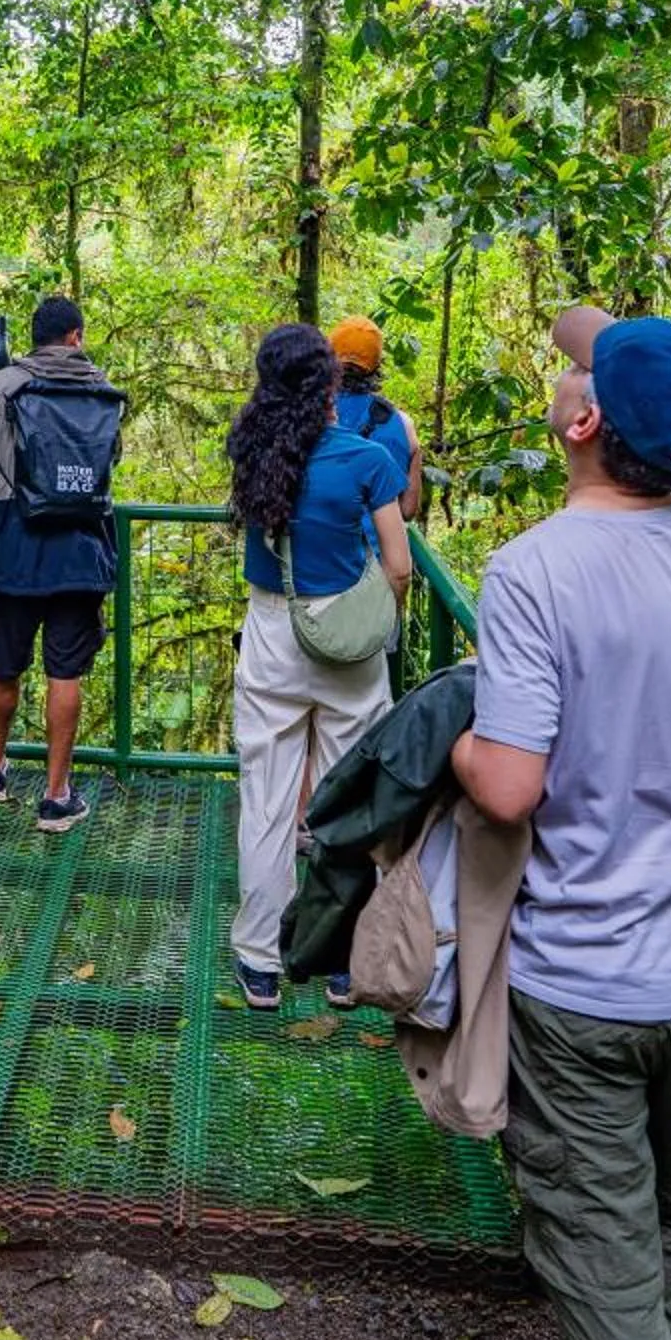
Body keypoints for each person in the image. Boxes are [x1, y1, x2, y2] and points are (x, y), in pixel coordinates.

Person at [450, 305, 671, 1340]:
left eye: (582, 377)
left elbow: (508, 787)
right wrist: (608, 344)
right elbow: (592, 333)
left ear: (584, 419)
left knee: (596, 1230)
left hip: (593, 978)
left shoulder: (538, 569)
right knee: (669, 1181)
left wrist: (449, 742)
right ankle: (665, 1334)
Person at [225, 321, 409, 1009]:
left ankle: (259, 962)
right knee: (346, 803)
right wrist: (367, 619)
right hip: (347, 644)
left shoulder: (251, 453)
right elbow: (397, 567)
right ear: (329, 383)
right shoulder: (367, 461)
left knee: (268, 799)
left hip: (273, 630)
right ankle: (340, 962)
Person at [0, 293, 118, 830]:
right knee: (65, 670)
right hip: (83, 551)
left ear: (33, 339)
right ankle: (57, 794)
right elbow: (109, 463)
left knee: (3, 661)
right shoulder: (103, 391)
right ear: (76, 337)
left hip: (15, 548)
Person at [330, 315, 425, 521]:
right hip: (380, 549)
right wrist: (416, 454)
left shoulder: (306, 413)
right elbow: (407, 511)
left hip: (324, 546)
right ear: (376, 366)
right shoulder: (403, 423)